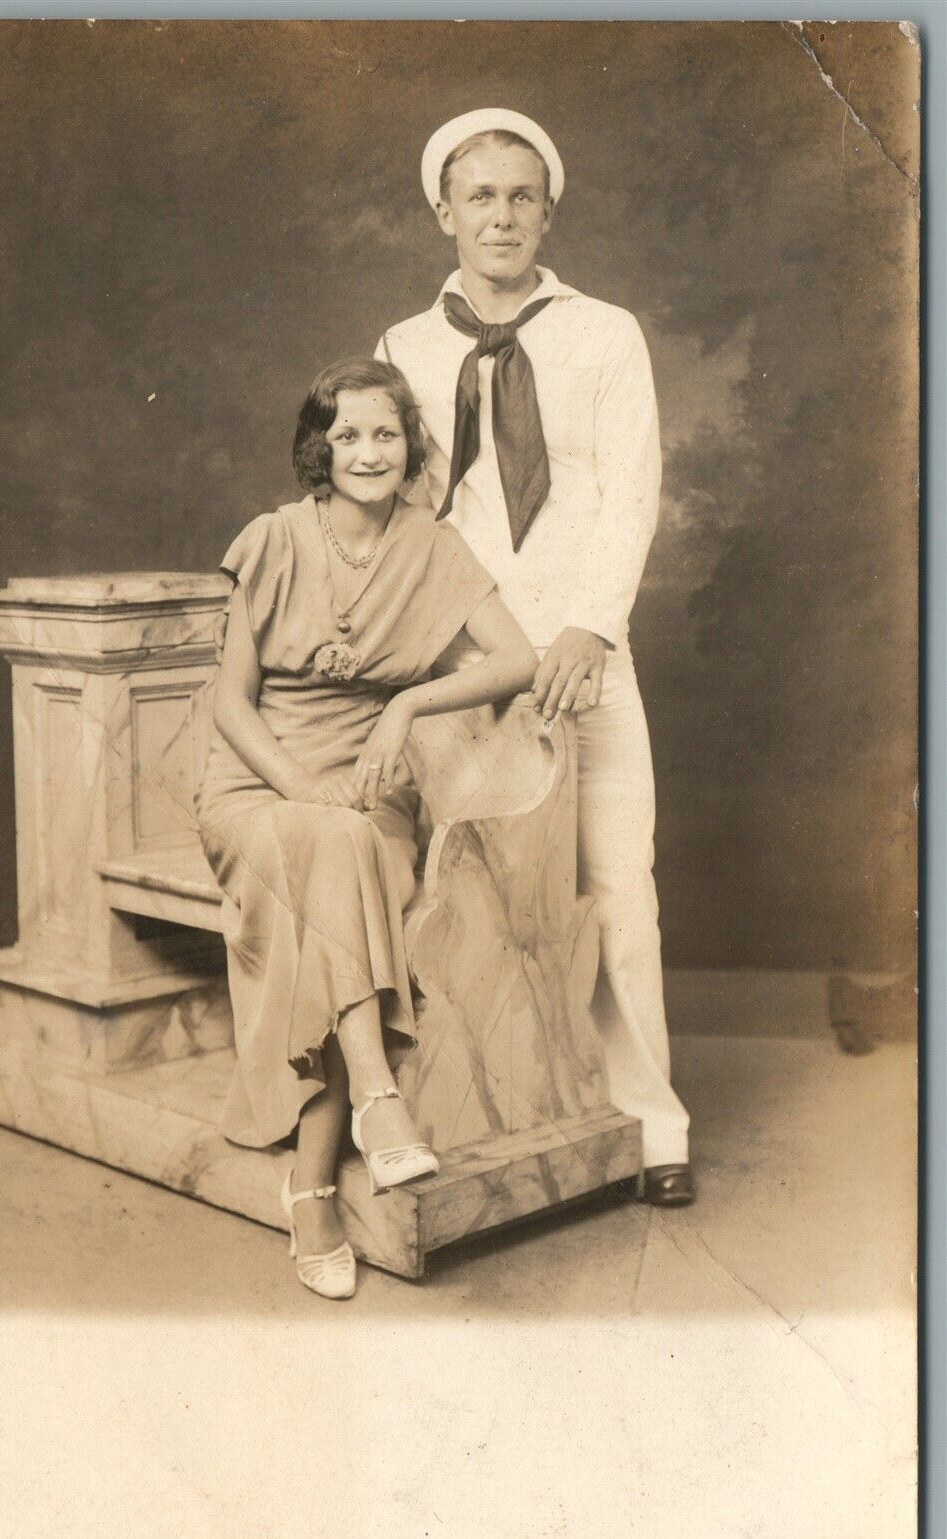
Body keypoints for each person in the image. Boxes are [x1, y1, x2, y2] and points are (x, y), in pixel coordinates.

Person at [377, 109, 694, 1206]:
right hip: (472, 662)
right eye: (480, 197)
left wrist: (589, 629)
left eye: (521, 196)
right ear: (443, 214)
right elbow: (409, 509)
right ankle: (502, 1115)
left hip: (585, 652)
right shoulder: (406, 351)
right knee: (475, 891)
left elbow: (632, 492)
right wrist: (452, 652)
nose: (501, 216)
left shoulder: (606, 334)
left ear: (547, 211)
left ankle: (653, 1128)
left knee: (617, 882)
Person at [195, 357, 537, 1298]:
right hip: (258, 786)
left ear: (408, 445)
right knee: (338, 853)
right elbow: (230, 704)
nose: (369, 451)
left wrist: (407, 707)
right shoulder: (272, 539)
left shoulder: (431, 546)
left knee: (348, 857)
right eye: (348, 434)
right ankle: (372, 1110)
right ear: (320, 447)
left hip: (370, 790)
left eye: (387, 433)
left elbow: (517, 659)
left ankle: (310, 1188)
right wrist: (303, 783)